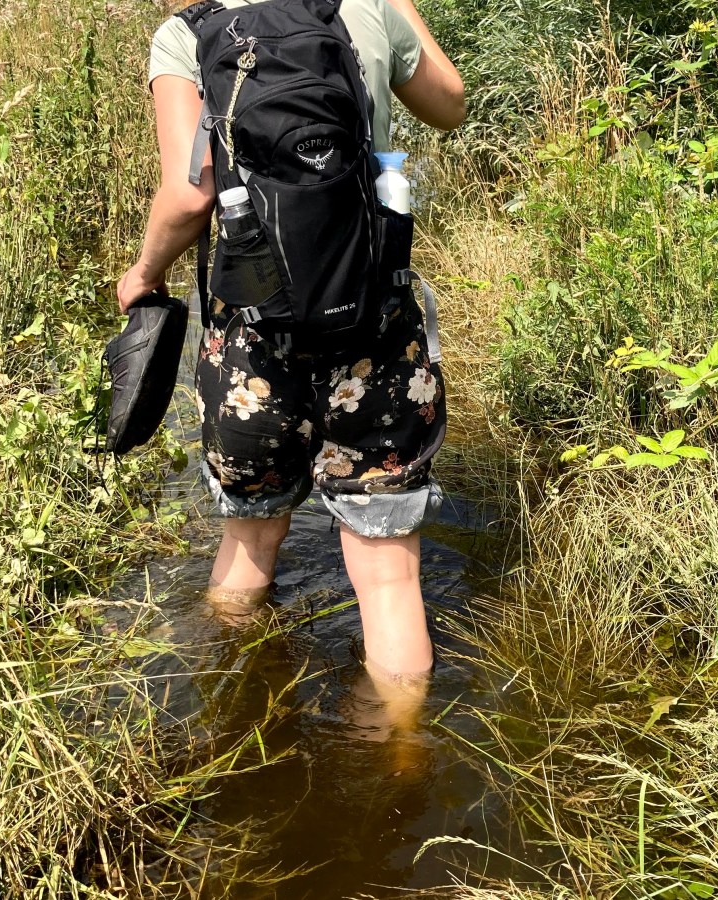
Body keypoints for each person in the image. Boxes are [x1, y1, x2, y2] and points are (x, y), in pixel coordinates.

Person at [115, 0, 465, 689]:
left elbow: (190, 197)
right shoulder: (367, 8)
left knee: (249, 537)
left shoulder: (187, 34)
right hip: (377, 334)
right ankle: (401, 756)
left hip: (255, 346)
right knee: (390, 574)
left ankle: (240, 712)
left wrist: (144, 273)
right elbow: (450, 106)